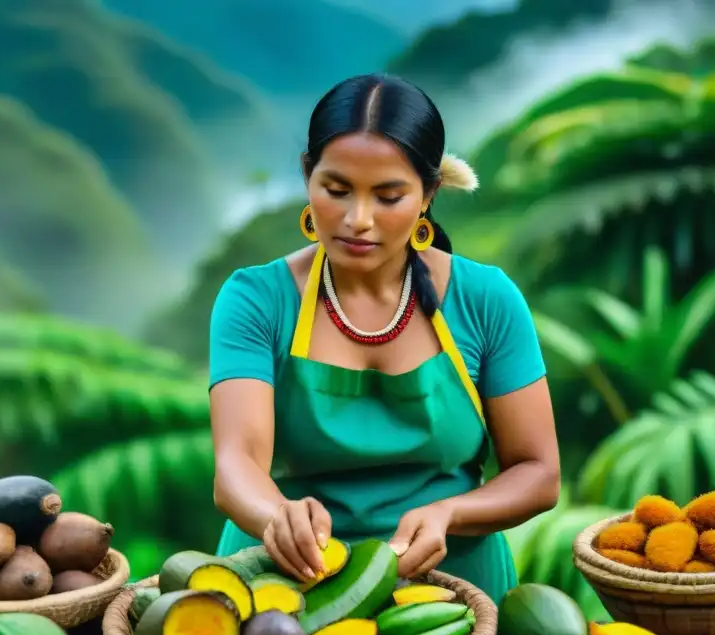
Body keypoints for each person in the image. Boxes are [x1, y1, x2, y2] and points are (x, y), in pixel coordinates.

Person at [206, 73, 560, 606]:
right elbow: (237, 464)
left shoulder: (486, 299)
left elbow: (538, 472)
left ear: (429, 193)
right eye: (336, 190)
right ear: (308, 176)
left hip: (452, 597)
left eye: (389, 196)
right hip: (284, 592)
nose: (358, 220)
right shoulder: (256, 299)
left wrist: (452, 512)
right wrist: (276, 516)